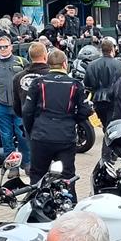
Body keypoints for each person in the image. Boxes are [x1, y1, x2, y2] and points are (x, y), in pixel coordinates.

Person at [22, 50, 92, 185]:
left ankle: (37, 203)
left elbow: (27, 111)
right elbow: (85, 111)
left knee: (37, 174)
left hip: (41, 135)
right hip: (65, 136)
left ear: (48, 64)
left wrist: (32, 130)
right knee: (67, 177)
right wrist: (72, 120)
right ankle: (69, 203)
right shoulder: (75, 84)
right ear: (65, 64)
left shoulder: (37, 83)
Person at [0, 36, 29, 169]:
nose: (3, 49)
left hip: (19, 107)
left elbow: (30, 82)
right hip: (2, 107)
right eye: (0, 47)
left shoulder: (22, 61)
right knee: (6, 138)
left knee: (22, 136)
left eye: (5, 46)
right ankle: (12, 167)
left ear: (11, 46)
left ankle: (27, 163)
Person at [84, 38, 121, 131]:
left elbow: (87, 83)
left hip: (98, 99)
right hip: (114, 98)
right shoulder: (120, 65)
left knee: (105, 123)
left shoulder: (92, 65)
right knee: (112, 123)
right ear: (112, 49)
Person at [12, 42, 49, 118]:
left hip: (27, 121)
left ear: (30, 56)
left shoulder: (18, 77)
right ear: (45, 56)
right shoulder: (52, 76)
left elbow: (17, 106)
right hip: (48, 122)